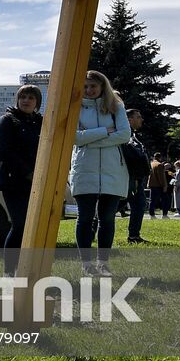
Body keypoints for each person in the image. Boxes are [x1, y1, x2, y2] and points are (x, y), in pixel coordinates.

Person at [69, 70, 131, 275]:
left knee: (107, 218)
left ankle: (103, 262)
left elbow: (124, 135)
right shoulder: (75, 107)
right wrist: (105, 131)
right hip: (84, 168)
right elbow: (75, 138)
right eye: (85, 86)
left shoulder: (116, 106)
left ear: (102, 86)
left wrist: (90, 140)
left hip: (112, 169)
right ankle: (86, 264)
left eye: (93, 86)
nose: (89, 90)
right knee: (85, 217)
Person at [0, 85, 42, 272]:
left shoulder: (40, 122)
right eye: (23, 97)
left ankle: (29, 268)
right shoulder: (8, 120)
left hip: (36, 182)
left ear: (37, 102)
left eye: (31, 97)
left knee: (34, 226)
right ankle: (9, 270)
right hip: (13, 182)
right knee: (20, 224)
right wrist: (26, 172)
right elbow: (4, 151)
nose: (26, 101)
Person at [121, 108, 151, 243]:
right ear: (129, 119)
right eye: (138, 117)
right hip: (129, 177)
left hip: (135, 178)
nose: (142, 119)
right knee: (115, 205)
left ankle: (134, 236)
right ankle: (92, 229)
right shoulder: (125, 136)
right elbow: (132, 157)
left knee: (138, 205)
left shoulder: (131, 135)